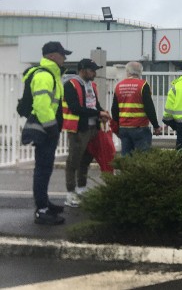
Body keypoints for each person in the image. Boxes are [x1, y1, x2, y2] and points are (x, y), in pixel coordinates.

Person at [23, 42, 71, 224]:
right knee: (42, 170)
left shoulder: (52, 74)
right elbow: (42, 105)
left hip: (47, 129)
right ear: (51, 56)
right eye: (62, 54)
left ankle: (44, 203)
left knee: (45, 168)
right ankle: (41, 210)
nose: (64, 58)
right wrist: (52, 128)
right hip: (45, 129)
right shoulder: (45, 75)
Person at [62, 58, 110, 208]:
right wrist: (98, 113)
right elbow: (76, 108)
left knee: (86, 160)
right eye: (92, 70)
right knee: (73, 161)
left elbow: (95, 104)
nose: (95, 73)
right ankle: (70, 194)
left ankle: (81, 189)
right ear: (82, 69)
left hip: (92, 129)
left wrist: (101, 113)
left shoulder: (92, 85)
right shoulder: (70, 85)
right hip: (78, 129)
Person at [111, 61, 162, 156]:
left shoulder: (118, 86)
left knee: (126, 159)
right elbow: (149, 108)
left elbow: (114, 110)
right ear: (140, 72)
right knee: (142, 158)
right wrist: (156, 126)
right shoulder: (143, 85)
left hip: (124, 128)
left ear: (127, 72)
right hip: (140, 128)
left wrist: (117, 127)